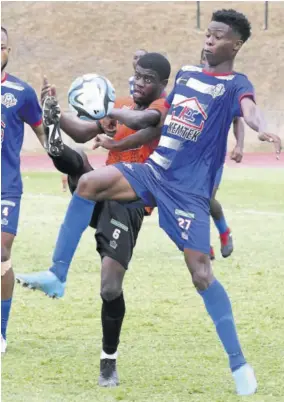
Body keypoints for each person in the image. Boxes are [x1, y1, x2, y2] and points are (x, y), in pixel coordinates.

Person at [16, 10, 282, 395]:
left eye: (218, 36)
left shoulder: (235, 84)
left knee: (201, 275)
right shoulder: (188, 75)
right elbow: (157, 122)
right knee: (89, 183)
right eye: (207, 34)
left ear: (236, 44)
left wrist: (263, 129)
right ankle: (57, 276)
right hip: (154, 171)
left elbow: (250, 110)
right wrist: (113, 124)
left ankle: (239, 364)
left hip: (188, 192)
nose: (209, 41)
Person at [17, 53, 170, 387]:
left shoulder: (161, 109)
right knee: (77, 159)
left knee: (109, 287)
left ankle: (108, 362)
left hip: (129, 205)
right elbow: (86, 130)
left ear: (162, 84)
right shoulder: (125, 103)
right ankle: (54, 143)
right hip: (104, 190)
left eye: (147, 78)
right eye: (137, 76)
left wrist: (108, 116)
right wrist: (56, 114)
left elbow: (143, 123)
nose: (140, 83)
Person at [1, 26, 47, 353]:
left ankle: (0, 332)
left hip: (6, 187)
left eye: (2, 46)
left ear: (8, 50)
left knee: (1, 253)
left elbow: (46, 138)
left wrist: (56, 125)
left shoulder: (21, 92)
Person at [200, 48, 245, 260]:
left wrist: (239, 145)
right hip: (189, 156)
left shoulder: (228, 87)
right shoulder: (192, 85)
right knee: (192, 198)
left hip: (213, 157)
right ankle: (201, 243)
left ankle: (224, 231)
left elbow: (238, 119)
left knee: (207, 198)